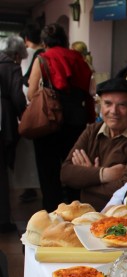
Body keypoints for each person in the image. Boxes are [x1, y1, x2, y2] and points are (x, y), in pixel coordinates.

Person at [27, 23, 95, 212]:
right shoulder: (80, 60)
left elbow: (31, 93)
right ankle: (75, 211)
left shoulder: (43, 59)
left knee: (48, 173)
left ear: (44, 42)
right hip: (77, 123)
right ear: (65, 40)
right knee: (74, 168)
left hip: (49, 122)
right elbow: (89, 90)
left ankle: (52, 214)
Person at [60, 78, 127, 211]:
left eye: (122, 105)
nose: (114, 111)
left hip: (117, 218)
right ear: (100, 105)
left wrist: (86, 179)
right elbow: (66, 173)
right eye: (107, 103)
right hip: (85, 213)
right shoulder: (92, 130)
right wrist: (104, 174)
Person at [0, 36, 27, 232]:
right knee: (2, 173)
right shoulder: (12, 67)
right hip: (4, 121)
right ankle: (3, 220)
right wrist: (23, 116)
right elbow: (18, 97)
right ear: (17, 54)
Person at [17, 24, 43, 203]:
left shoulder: (29, 57)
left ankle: (30, 187)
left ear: (26, 40)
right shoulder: (42, 54)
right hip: (45, 110)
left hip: (31, 109)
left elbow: (28, 88)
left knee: (29, 153)